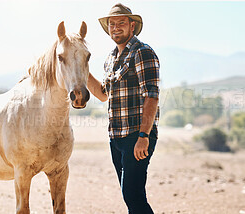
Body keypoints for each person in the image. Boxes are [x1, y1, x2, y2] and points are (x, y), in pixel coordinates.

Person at [87, 3, 160, 214]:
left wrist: (144, 135)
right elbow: (102, 94)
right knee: (130, 196)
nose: (116, 27)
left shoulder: (143, 52)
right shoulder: (110, 59)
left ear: (132, 25)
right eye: (112, 24)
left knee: (134, 196)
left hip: (137, 136)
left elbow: (152, 96)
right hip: (116, 137)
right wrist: (82, 71)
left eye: (121, 23)